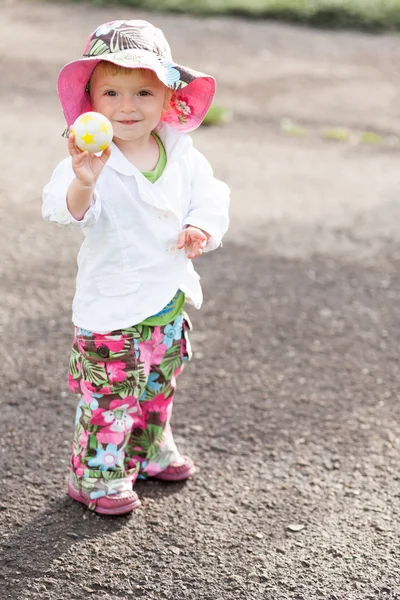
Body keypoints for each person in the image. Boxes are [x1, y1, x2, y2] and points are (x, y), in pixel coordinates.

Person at [42, 19, 230, 515]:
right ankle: (96, 475)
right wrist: (84, 181)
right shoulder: (91, 157)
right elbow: (63, 211)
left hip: (167, 302)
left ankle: (146, 451)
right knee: (110, 397)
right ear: (91, 101)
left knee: (156, 385)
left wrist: (201, 227)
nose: (127, 107)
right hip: (114, 309)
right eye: (112, 92)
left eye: (143, 91)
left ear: (168, 97)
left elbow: (210, 198)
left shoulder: (181, 152)